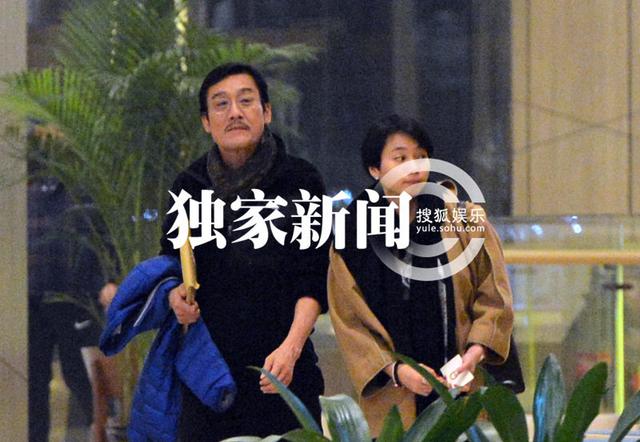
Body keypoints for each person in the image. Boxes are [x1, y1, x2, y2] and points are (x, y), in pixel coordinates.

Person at [159, 63, 328, 440]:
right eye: (221, 104)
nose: (234, 112)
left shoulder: (300, 180)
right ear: (206, 122)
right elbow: (170, 265)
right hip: (209, 375)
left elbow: (314, 278)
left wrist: (291, 349)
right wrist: (175, 297)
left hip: (283, 369)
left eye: (246, 101)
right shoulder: (189, 186)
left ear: (266, 112)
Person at [327, 114, 514, 436]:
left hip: (461, 388)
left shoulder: (463, 219)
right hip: (395, 399)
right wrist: (397, 371)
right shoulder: (352, 233)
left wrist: (474, 353)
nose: (413, 167)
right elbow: (350, 322)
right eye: (400, 158)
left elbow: (494, 296)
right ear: (375, 170)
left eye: (421, 156)